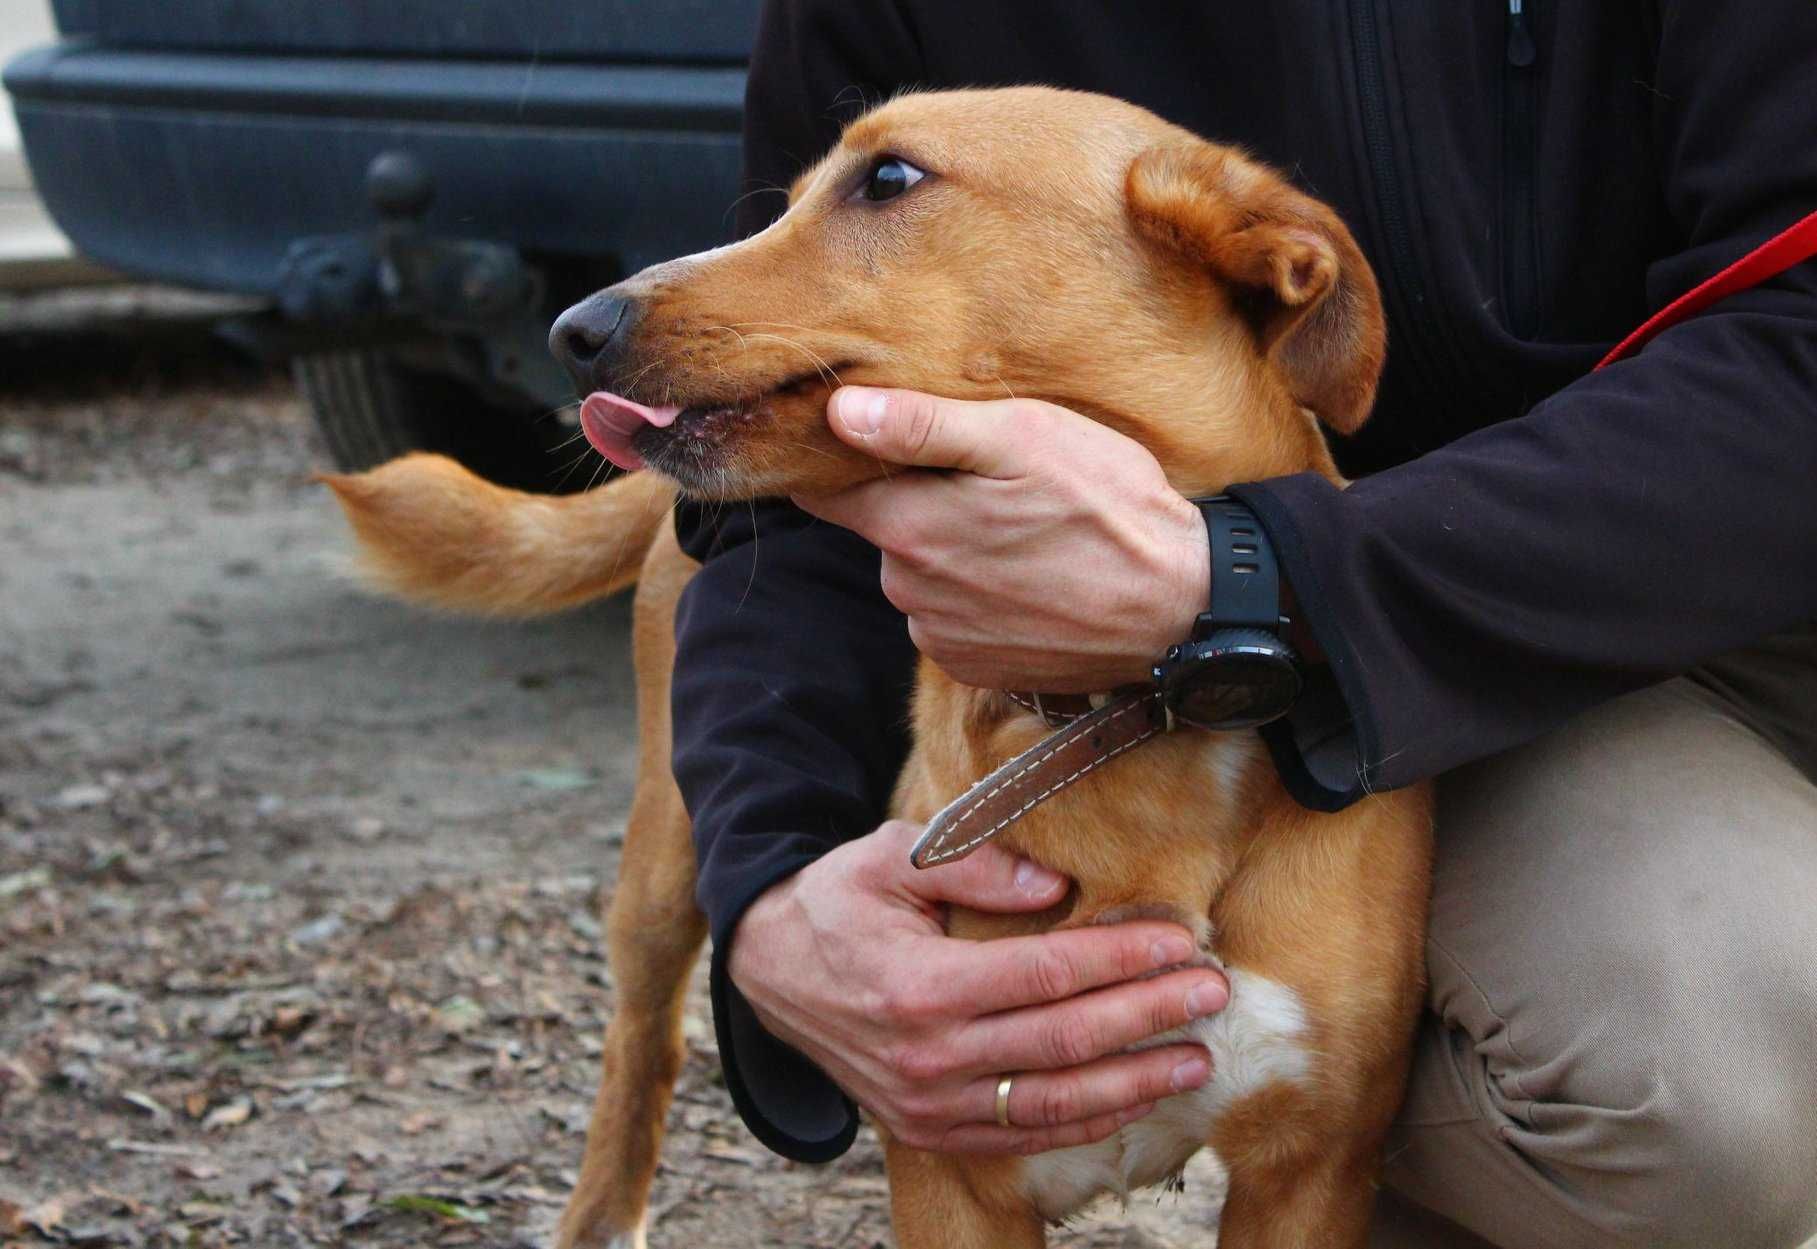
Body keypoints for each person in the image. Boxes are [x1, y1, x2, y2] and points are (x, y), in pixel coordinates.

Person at [666, 4, 1817, 1246]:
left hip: (1685, 608)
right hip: (1285, 638)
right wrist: (775, 884)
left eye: (885, 181)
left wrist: (1265, 576)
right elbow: (779, 482)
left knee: (1701, 1084)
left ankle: (1357, 1108)